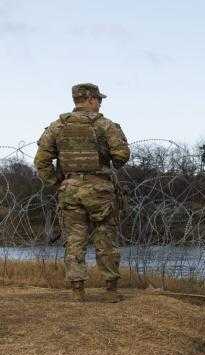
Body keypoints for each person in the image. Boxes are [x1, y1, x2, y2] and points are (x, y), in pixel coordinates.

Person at [34, 83, 130, 302]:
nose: (100, 103)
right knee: (105, 236)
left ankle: (77, 290)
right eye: (99, 99)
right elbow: (121, 157)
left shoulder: (57, 127)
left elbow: (41, 161)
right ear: (90, 99)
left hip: (70, 190)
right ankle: (110, 290)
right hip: (100, 190)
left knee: (74, 239)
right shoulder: (105, 125)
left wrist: (58, 183)